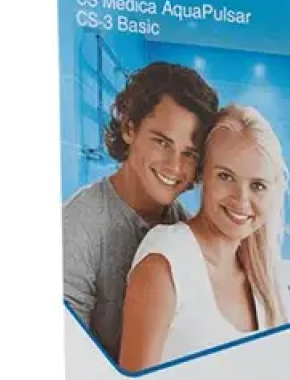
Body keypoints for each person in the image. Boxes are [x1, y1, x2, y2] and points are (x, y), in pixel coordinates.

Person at [62, 61, 219, 360]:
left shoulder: (182, 226)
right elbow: (69, 360)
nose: (174, 166)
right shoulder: (78, 227)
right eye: (162, 142)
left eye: (189, 154)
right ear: (129, 128)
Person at [119, 104, 290, 371]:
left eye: (257, 185)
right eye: (225, 176)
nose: (241, 200)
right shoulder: (165, 264)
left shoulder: (269, 280)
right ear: (202, 176)